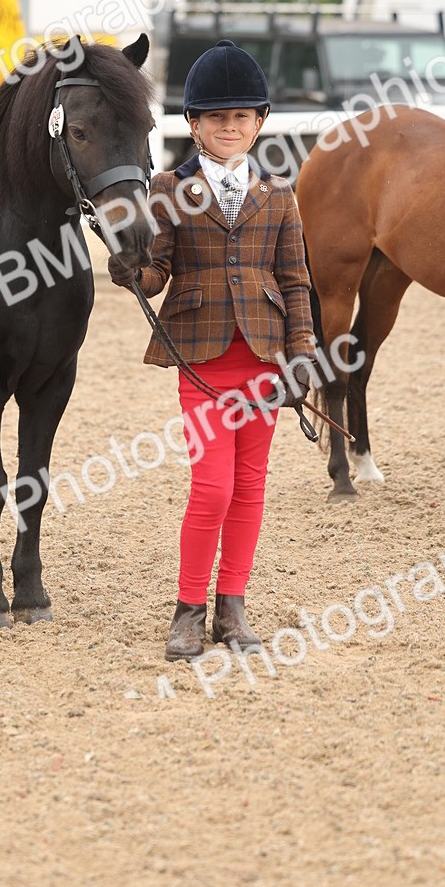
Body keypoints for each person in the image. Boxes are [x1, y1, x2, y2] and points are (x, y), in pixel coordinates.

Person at [109, 39, 317, 661]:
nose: (230, 128)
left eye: (241, 118)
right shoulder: (169, 187)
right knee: (213, 489)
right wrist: (133, 269)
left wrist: (302, 349)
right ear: (194, 125)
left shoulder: (279, 194)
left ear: (259, 123)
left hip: (265, 358)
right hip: (202, 359)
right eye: (216, 118)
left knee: (251, 486)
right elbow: (158, 272)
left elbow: (296, 278)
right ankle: (188, 608)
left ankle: (233, 606)